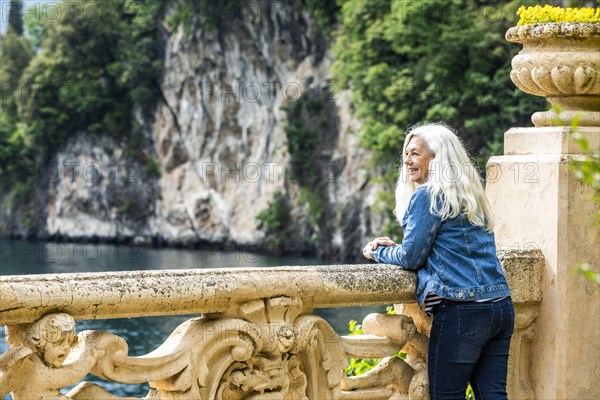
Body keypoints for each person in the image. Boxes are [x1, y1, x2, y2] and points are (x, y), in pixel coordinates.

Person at [362, 123, 514, 400]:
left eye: (416, 154)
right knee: (493, 395)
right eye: (406, 154)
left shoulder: (428, 194)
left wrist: (377, 252)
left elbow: (410, 258)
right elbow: (448, 246)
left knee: (446, 396)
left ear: (438, 158)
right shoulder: (471, 196)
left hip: (461, 311)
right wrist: (403, 246)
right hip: (500, 305)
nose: (407, 160)